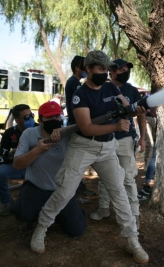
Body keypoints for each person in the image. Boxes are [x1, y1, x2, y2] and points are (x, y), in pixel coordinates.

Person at [30, 50, 149, 264]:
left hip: (107, 148)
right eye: (101, 69)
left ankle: (132, 240)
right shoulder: (79, 94)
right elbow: (86, 128)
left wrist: (136, 109)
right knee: (65, 191)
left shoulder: (111, 86)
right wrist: (115, 125)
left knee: (119, 193)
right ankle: (41, 228)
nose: (105, 73)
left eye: (107, 69)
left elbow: (126, 108)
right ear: (88, 69)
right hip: (83, 146)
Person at [12, 101, 87, 236]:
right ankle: (32, 212)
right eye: (49, 117)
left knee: (77, 230)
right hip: (37, 187)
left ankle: (65, 212)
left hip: (61, 189)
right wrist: (37, 150)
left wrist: (65, 130)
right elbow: (17, 165)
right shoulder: (29, 134)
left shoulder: (69, 134)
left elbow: (86, 126)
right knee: (24, 215)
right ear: (40, 120)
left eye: (57, 117)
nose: (54, 120)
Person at [90, 59, 146, 223]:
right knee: (105, 176)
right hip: (105, 139)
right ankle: (104, 209)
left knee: (128, 177)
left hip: (126, 139)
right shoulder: (102, 89)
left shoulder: (132, 90)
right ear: (112, 72)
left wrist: (142, 137)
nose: (125, 72)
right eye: (121, 70)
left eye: (127, 70)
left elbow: (140, 115)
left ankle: (134, 213)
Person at [0, 104, 35, 216]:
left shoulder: (39, 129)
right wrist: (13, 155)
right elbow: (2, 158)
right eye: (26, 117)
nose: (30, 119)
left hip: (37, 166)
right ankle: (6, 203)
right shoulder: (10, 133)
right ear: (17, 120)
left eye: (31, 115)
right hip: (18, 165)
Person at [64, 55, 95, 200]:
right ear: (77, 68)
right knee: (75, 161)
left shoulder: (74, 82)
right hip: (75, 124)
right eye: (84, 67)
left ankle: (80, 188)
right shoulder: (74, 83)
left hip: (75, 123)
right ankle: (74, 194)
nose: (86, 71)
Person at [141, 107, 157, 196]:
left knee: (154, 152)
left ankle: (149, 177)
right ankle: (147, 180)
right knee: (151, 145)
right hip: (149, 119)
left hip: (156, 121)